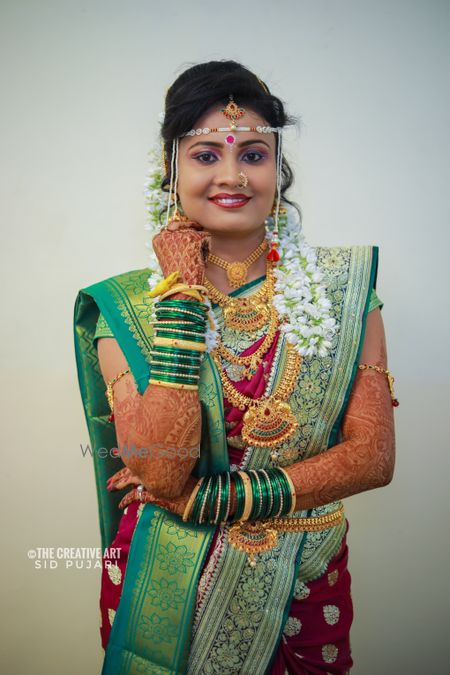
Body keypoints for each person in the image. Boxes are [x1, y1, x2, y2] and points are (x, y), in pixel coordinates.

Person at [73, 60, 397, 675]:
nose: (232, 175)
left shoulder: (344, 293)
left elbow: (373, 458)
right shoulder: (128, 305)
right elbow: (162, 471)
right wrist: (181, 295)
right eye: (205, 155)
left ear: (278, 169)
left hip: (301, 575)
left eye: (253, 154)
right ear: (171, 170)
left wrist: (214, 501)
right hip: (167, 577)